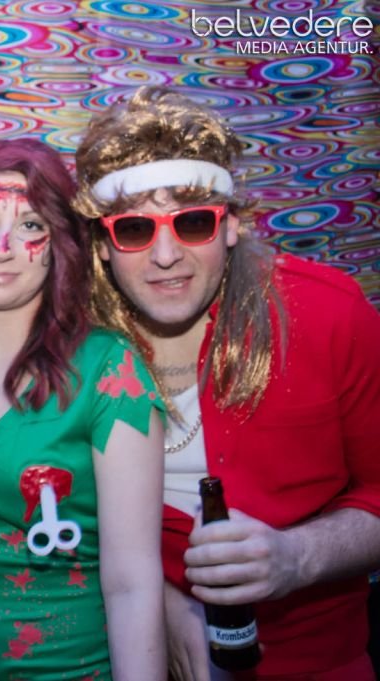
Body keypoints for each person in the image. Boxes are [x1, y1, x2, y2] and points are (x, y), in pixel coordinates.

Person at [73, 85, 380, 681]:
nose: (166, 255)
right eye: (135, 229)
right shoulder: (74, 348)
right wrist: (166, 603)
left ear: (231, 225)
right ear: (104, 245)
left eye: (193, 223)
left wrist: (298, 556)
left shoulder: (329, 316)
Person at [0, 138, 167, 680]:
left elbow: (133, 584)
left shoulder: (109, 370)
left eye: (30, 225)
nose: (2, 247)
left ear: (59, 247)